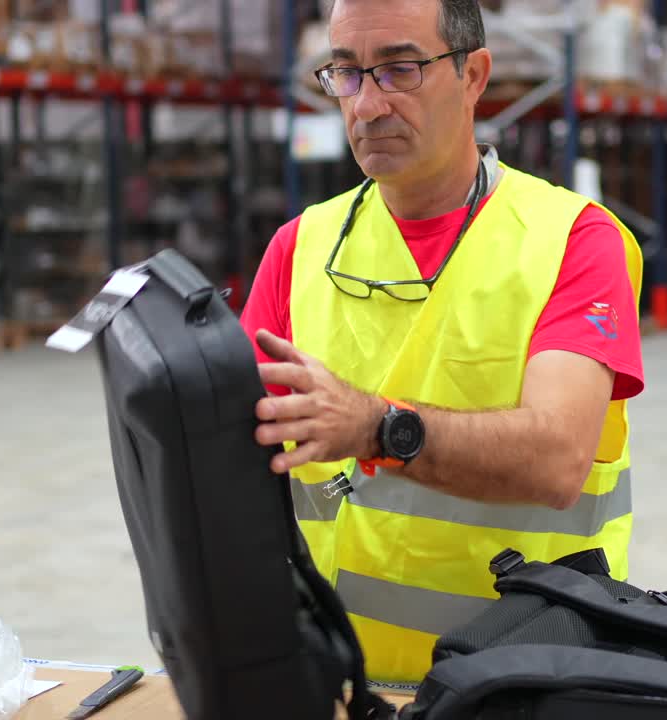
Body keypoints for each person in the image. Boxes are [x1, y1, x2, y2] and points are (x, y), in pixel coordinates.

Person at [239, 0, 645, 686]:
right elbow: (237, 458)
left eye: (399, 70)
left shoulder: (573, 240)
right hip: (342, 679)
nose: (367, 105)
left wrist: (377, 428)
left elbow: (557, 461)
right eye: (346, 73)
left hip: (521, 680)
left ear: (474, 75)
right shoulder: (299, 248)